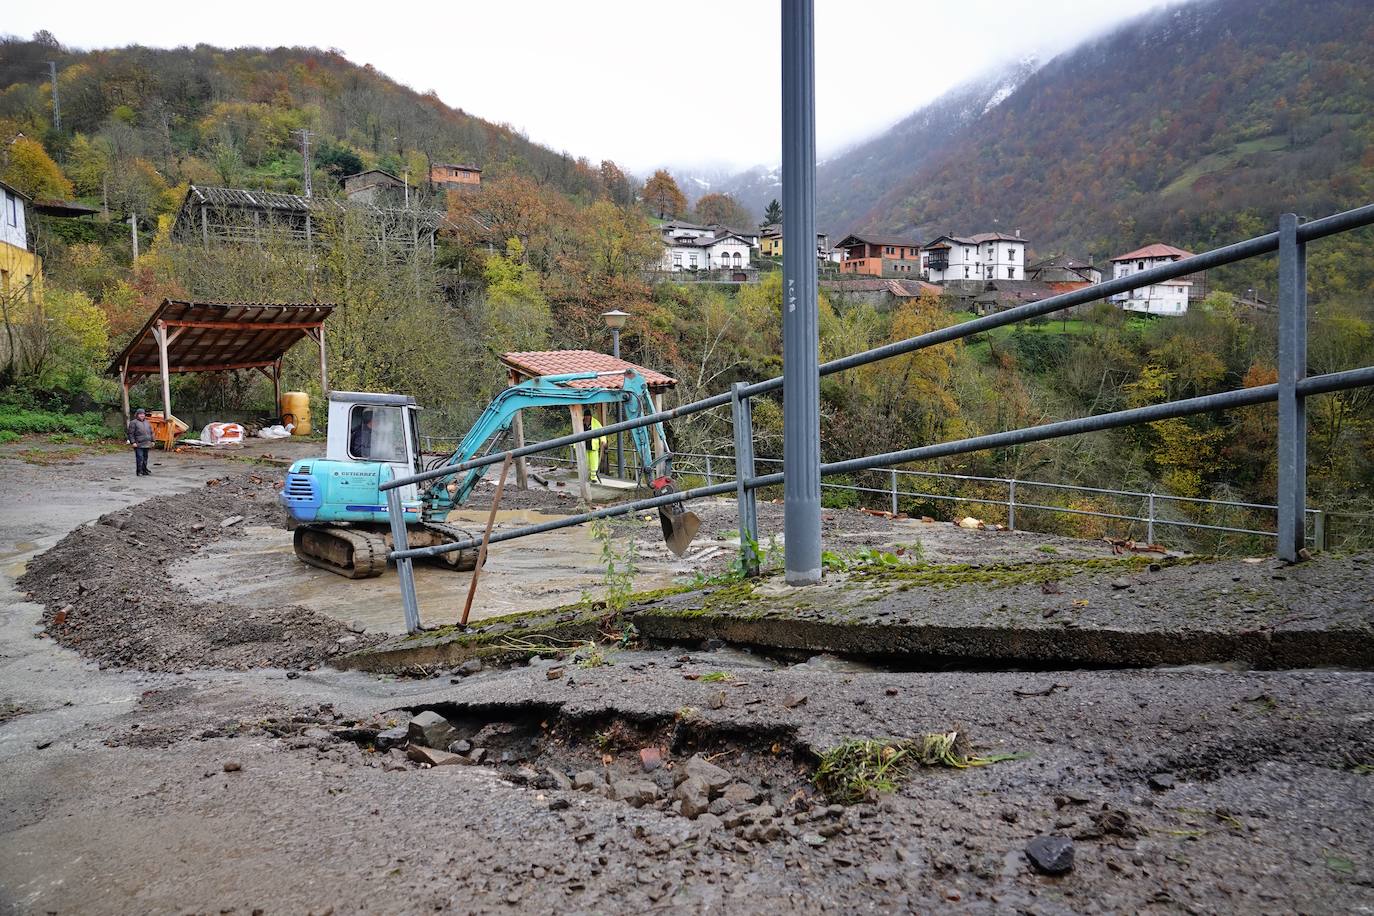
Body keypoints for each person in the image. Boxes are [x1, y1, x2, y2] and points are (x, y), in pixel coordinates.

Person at [126, 408, 154, 476]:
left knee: (145, 458)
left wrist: (153, 441)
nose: (142, 415)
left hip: (147, 443)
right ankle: (139, 471)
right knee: (140, 458)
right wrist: (133, 442)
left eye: (143, 414)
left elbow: (151, 432)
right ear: (137, 415)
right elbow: (130, 433)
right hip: (138, 444)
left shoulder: (147, 422)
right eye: (140, 414)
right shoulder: (133, 422)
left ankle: (144, 470)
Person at [582, 408, 607, 483]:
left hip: (593, 446)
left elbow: (602, 431)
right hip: (584, 446)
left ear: (590, 416)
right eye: (585, 416)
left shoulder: (596, 423)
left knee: (594, 462)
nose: (586, 418)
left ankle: (594, 477)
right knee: (585, 462)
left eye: (588, 416)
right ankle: (586, 477)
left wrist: (603, 440)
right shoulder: (580, 423)